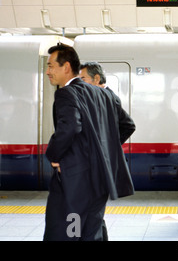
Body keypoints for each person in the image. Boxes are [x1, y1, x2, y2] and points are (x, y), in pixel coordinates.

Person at [43, 44, 135, 241]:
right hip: (100, 179)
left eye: (51, 66)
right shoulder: (104, 94)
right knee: (92, 230)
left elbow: (70, 128)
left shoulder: (66, 94)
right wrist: (104, 151)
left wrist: (53, 156)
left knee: (70, 231)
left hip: (75, 183)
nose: (47, 71)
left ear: (66, 67)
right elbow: (128, 125)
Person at [79, 61, 136, 240]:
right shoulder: (105, 96)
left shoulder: (104, 97)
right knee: (94, 214)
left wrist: (106, 148)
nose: (80, 84)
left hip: (97, 167)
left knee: (92, 213)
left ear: (97, 78)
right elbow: (127, 126)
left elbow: (128, 126)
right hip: (99, 165)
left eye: (83, 79)